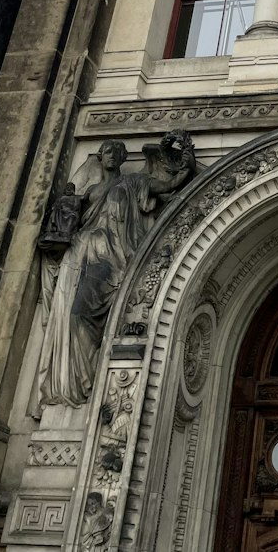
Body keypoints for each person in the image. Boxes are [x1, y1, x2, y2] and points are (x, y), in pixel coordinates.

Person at [38, 134, 195, 407]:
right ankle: (72, 385)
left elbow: (172, 184)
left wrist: (186, 155)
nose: (111, 153)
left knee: (84, 314)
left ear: (123, 158)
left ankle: (82, 382)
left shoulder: (134, 181)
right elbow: (65, 216)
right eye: (107, 150)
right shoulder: (89, 192)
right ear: (100, 156)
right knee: (73, 315)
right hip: (84, 251)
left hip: (112, 257)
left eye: (117, 150)